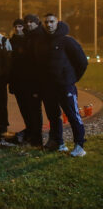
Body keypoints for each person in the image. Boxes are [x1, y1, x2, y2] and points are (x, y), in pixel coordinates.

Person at [35, 13, 88, 156]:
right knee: (53, 116)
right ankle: (58, 142)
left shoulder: (67, 41)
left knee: (72, 115)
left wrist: (71, 79)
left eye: (52, 21)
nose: (49, 24)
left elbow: (82, 62)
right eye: (46, 22)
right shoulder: (41, 42)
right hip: (48, 87)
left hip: (65, 86)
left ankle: (79, 146)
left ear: (57, 22)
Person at [9, 18, 43, 146]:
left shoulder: (30, 40)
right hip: (18, 82)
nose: (18, 29)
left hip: (31, 82)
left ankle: (37, 139)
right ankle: (29, 133)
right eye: (16, 26)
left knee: (34, 110)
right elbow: (11, 64)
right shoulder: (11, 41)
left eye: (20, 26)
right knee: (24, 110)